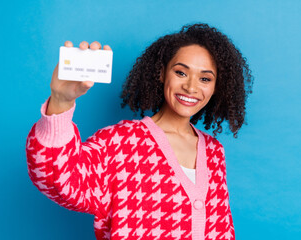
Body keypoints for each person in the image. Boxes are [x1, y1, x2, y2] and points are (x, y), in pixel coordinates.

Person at [26, 23, 253, 240]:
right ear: (162, 73)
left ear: (216, 87)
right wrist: (60, 100)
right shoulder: (120, 142)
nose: (191, 87)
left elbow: (221, 229)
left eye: (205, 78)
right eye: (181, 73)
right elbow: (59, 180)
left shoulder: (214, 152)